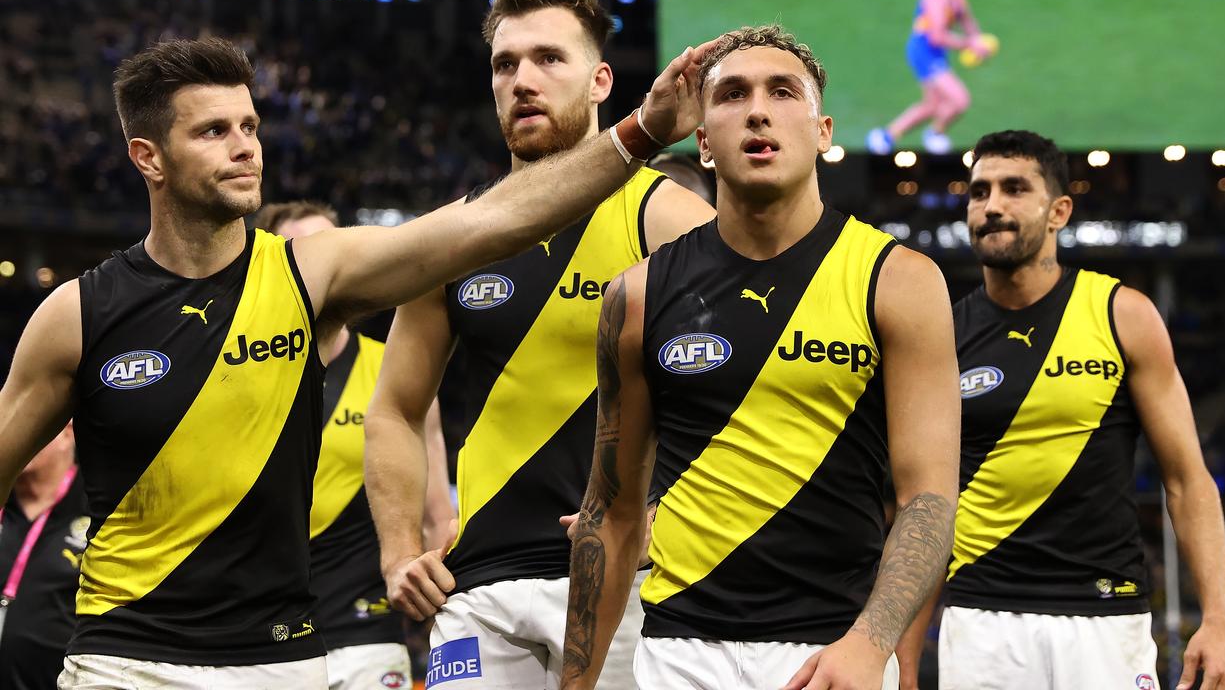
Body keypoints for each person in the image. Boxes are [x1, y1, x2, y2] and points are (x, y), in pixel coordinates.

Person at [0, 34, 709, 689]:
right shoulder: (77, 315)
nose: (246, 147)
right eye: (213, 131)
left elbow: (490, 223)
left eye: (249, 126)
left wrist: (640, 131)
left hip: (286, 661)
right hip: (123, 662)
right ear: (147, 157)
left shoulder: (312, 274)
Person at [558, 24, 961, 690]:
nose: (757, 110)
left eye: (782, 92)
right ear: (705, 141)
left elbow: (928, 500)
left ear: (824, 130)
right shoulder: (636, 295)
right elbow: (612, 512)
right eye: (732, 95)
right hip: (678, 655)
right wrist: (575, 686)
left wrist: (871, 643)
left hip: (835, 654)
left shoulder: (899, 280)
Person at [364, 0, 716, 690]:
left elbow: (749, 392)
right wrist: (401, 552)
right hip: (478, 586)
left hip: (630, 582)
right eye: (505, 64)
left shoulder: (666, 217)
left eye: (549, 59)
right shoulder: (456, 236)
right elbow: (395, 409)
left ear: (600, 80)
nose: (523, 80)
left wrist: (666, 511)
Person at [896, 130, 1225, 690]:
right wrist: (906, 655)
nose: (992, 206)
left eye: (1013, 189)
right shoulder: (941, 335)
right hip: (984, 624)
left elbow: (1187, 480)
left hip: (1108, 619)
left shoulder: (1123, 315)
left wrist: (1218, 620)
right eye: (979, 193)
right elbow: (928, 504)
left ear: (1059, 211)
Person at [256, 200, 455, 690]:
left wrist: (439, 625)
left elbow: (434, 516)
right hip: (257, 637)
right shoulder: (235, 372)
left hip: (366, 631)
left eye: (336, 246)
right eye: (306, 251)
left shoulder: (395, 369)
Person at [0, 423, 85, 690]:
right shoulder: (3, 500)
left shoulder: (99, 506)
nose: (20, 439)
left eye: (33, 427)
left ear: (68, 432)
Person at [866, 0, 987, 155]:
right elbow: (937, 37)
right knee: (960, 100)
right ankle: (934, 134)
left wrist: (979, 39)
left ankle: (885, 136)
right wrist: (969, 43)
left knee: (931, 105)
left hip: (936, 53)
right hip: (924, 53)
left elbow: (965, 16)